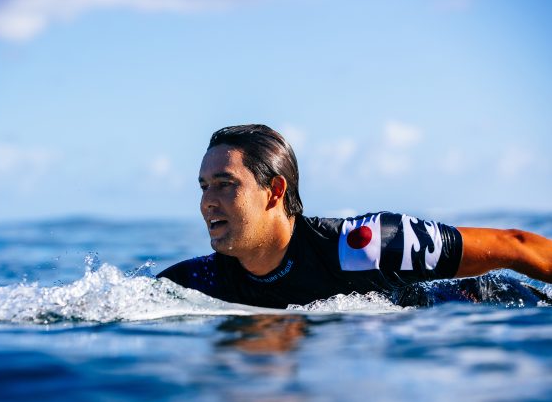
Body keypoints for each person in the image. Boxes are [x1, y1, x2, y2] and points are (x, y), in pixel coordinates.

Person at [158, 124, 552, 308]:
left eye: (225, 183)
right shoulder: (199, 280)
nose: (207, 201)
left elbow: (514, 246)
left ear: (275, 192)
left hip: (482, 311)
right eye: (203, 186)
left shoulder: (362, 244)